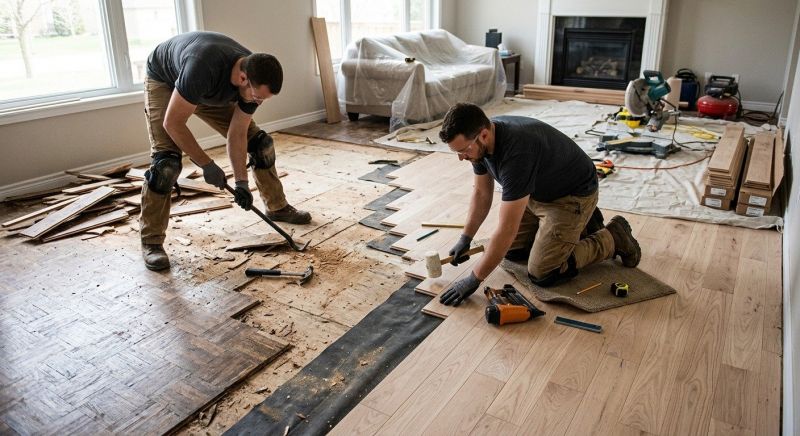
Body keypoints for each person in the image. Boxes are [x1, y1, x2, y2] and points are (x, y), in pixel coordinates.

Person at [436, 103, 641, 306]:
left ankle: (613, 236)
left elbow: (507, 230)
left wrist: (474, 279)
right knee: (512, 252)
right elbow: (481, 193)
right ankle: (583, 226)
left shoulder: (517, 152)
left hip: (571, 197)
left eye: (463, 150)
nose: (461, 157)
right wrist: (466, 237)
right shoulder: (481, 142)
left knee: (544, 272)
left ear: (483, 135)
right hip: (537, 192)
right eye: (457, 152)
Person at [140, 31, 311, 271]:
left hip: (203, 88)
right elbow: (173, 123)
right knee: (166, 166)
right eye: (257, 97)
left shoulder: (254, 74)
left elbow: (238, 133)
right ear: (242, 78)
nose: (257, 102)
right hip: (165, 80)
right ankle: (151, 241)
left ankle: (277, 207)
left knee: (261, 145)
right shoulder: (201, 67)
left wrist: (241, 183)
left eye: (262, 99)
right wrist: (206, 164)